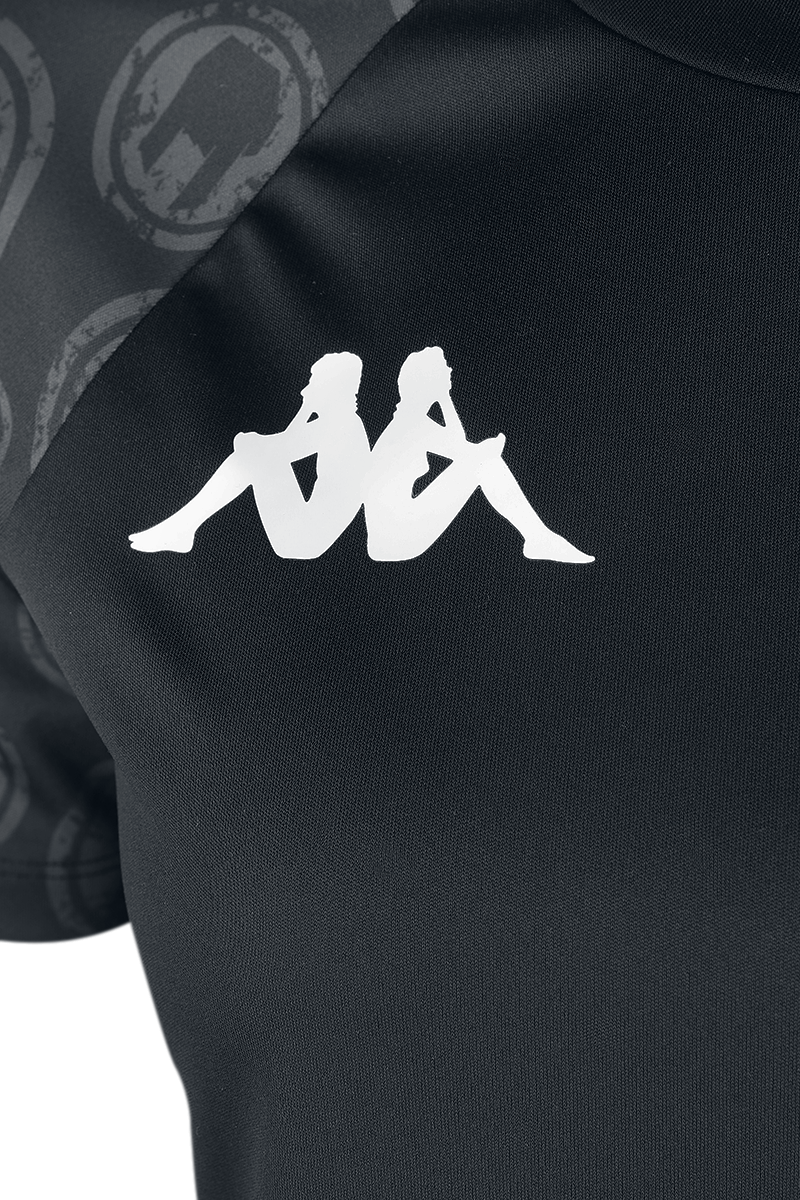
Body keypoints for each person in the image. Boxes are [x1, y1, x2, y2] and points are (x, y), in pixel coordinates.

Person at [128, 351, 371, 559]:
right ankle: (182, 527)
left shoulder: (341, 425)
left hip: (302, 538)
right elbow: (284, 446)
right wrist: (306, 408)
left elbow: (280, 449)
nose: (304, 390)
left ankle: (183, 528)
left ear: (330, 388)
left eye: (313, 383)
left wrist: (249, 440)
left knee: (253, 455)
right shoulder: (344, 422)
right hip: (304, 535)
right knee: (255, 453)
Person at [363, 345, 595, 562]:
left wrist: (445, 398)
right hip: (395, 539)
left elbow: (459, 444)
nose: (449, 370)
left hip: (388, 540)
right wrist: (484, 448)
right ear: (428, 380)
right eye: (443, 368)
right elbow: (462, 448)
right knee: (485, 461)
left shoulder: (409, 420)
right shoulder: (412, 424)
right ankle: (538, 538)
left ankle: (539, 538)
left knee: (483, 458)